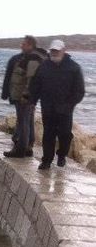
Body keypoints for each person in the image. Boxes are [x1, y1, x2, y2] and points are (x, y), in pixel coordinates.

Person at [29, 39, 86, 169]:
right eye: (52, 50)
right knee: (48, 134)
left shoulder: (74, 67)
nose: (54, 53)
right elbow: (36, 85)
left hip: (65, 110)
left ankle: (61, 155)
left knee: (65, 135)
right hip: (48, 108)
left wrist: (70, 104)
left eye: (57, 50)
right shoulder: (44, 66)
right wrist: (32, 101)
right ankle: (46, 160)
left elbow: (79, 91)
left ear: (63, 51)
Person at [1, 35, 46, 157]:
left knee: (23, 122)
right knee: (28, 120)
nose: (21, 45)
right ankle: (28, 147)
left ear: (31, 45)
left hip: (24, 97)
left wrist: (26, 96)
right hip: (28, 97)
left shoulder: (32, 59)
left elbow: (30, 80)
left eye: (24, 44)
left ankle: (20, 150)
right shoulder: (31, 57)